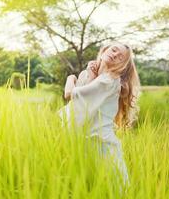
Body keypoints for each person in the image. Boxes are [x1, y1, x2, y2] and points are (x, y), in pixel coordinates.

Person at [58, 42, 141, 189]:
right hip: (88, 143)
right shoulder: (95, 77)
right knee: (90, 188)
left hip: (103, 147)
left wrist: (71, 78)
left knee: (110, 190)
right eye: (114, 50)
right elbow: (84, 105)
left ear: (122, 66)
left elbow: (69, 94)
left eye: (120, 57)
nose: (115, 54)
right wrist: (91, 75)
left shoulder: (109, 81)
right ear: (104, 51)